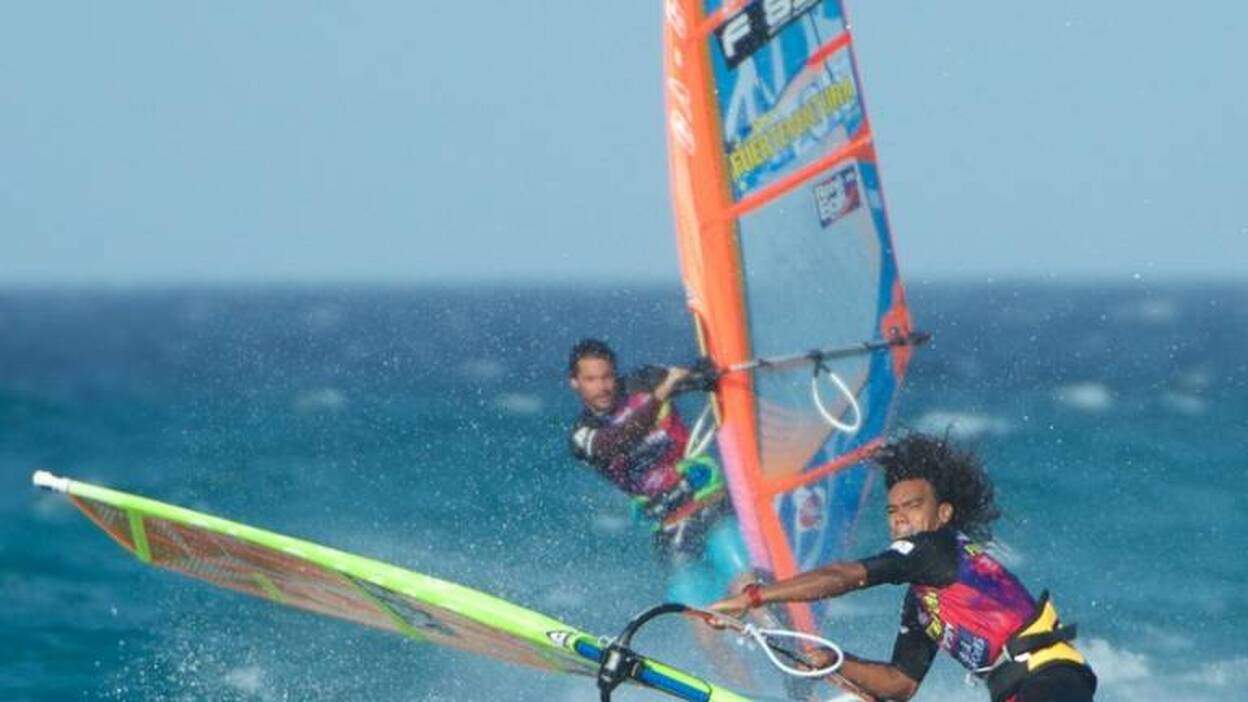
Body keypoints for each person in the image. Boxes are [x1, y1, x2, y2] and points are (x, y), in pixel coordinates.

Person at [710, 433, 1097, 702]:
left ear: (943, 514)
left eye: (913, 506)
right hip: (1018, 690)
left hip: (1050, 680)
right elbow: (901, 683)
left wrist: (755, 597)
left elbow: (845, 577)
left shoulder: (936, 548)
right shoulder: (924, 602)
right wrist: (837, 662)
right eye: (892, 511)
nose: (899, 519)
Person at [566, 338, 747, 605]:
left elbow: (698, 378)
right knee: (695, 604)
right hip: (669, 525)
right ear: (575, 383)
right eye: (591, 380)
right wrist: (661, 394)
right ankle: (722, 633)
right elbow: (618, 440)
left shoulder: (643, 382)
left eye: (607, 377)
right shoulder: (582, 435)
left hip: (710, 503)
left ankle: (777, 626)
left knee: (745, 578)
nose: (602, 387)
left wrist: (705, 374)